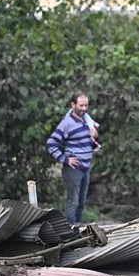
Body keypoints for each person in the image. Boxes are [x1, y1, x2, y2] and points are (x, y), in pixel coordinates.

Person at [46, 93, 96, 225]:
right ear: (73, 105)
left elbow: (92, 138)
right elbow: (51, 144)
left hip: (85, 167)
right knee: (72, 201)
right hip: (73, 169)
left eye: (86, 105)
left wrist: (94, 133)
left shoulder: (86, 120)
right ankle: (70, 231)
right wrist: (65, 159)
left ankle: (79, 230)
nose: (84, 108)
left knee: (81, 202)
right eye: (81, 105)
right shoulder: (66, 123)